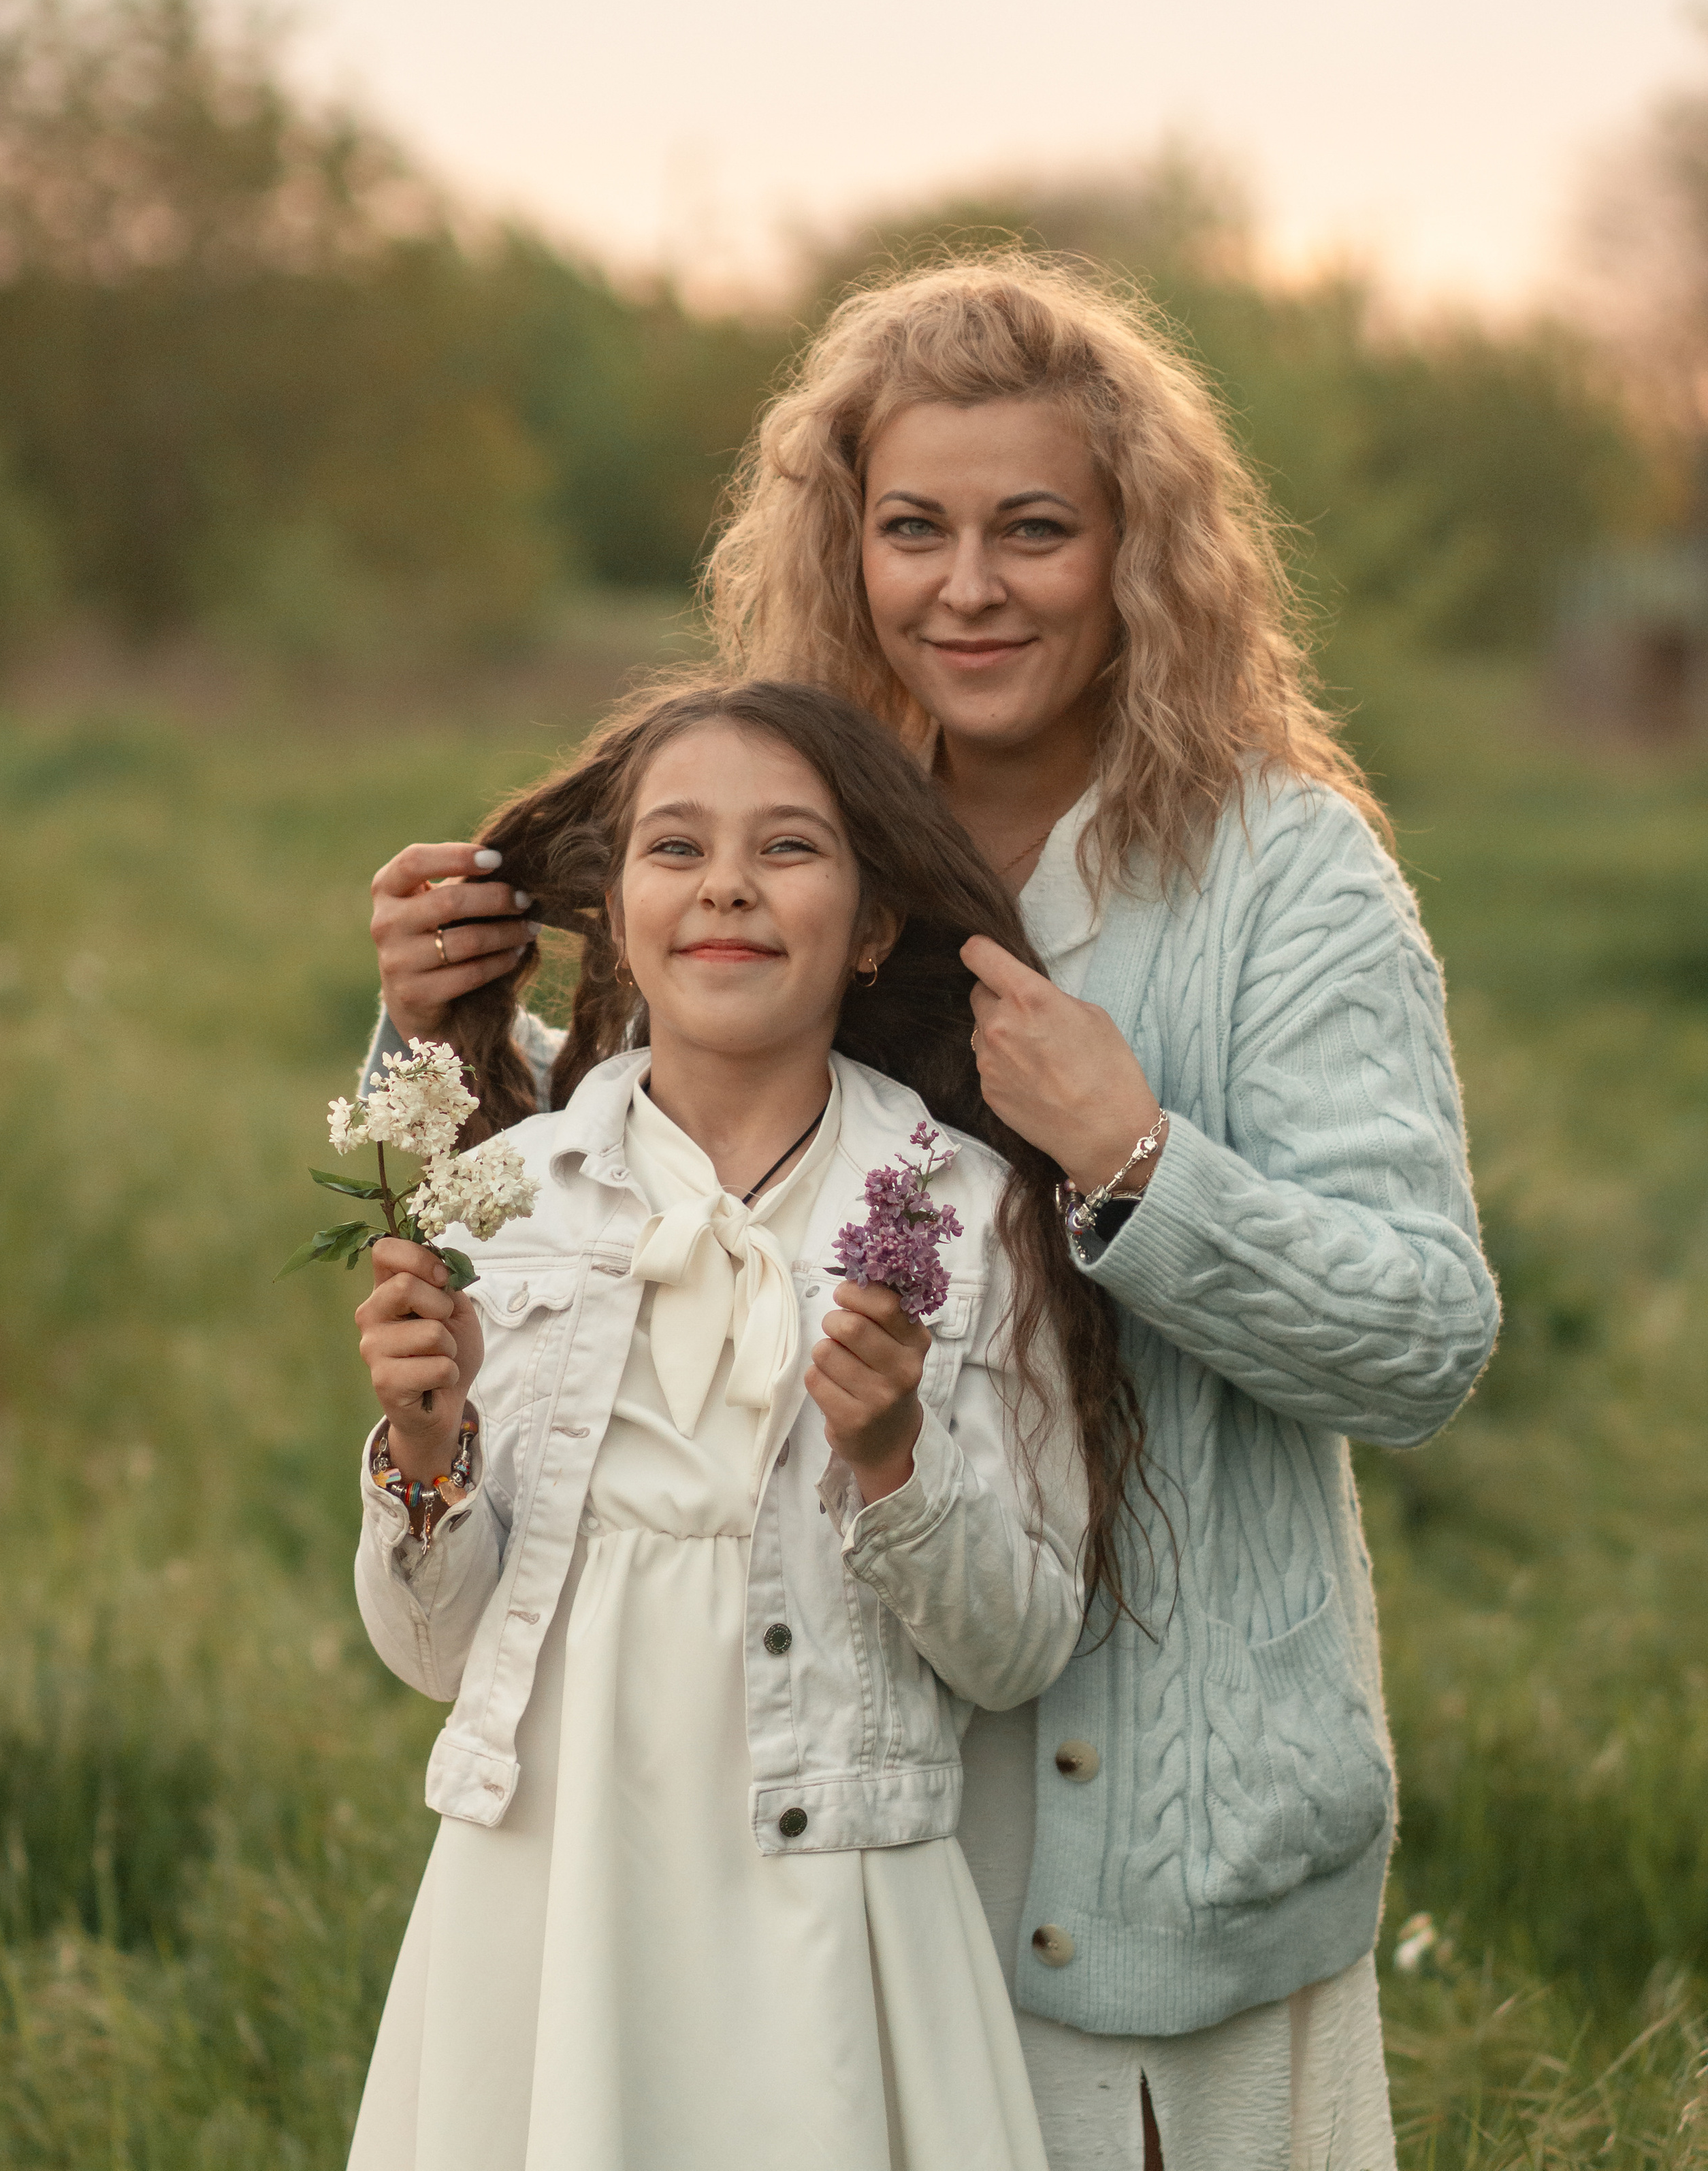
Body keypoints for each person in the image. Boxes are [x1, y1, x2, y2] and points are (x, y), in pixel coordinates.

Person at [360, 257, 1500, 2171]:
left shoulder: (1280, 875)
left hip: (1151, 1868)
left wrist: (1141, 1163)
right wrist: (437, 1019)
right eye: (915, 530)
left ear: (1136, 552)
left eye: (1034, 529)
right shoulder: (815, 835)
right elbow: (640, 1182)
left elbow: (1423, 1343)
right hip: (821, 1861)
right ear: (850, 549)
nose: (969, 585)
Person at [347, 678, 1144, 2171]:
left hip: (827, 1882)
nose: (724, 885)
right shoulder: (505, 1195)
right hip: (551, 1868)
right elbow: (433, 1654)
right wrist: (424, 1449)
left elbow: (1018, 1646)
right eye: (674, 849)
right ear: (614, 907)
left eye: (786, 849)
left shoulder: (960, 1209)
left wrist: (892, 1458)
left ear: (871, 928)